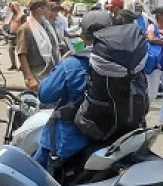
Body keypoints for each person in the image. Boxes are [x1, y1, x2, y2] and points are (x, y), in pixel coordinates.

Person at [33, 11, 114, 168]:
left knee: (36, 174)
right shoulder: (124, 62)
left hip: (70, 141)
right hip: (112, 136)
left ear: (83, 36)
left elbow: (45, 94)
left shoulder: (73, 64)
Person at [16, 0, 60, 91]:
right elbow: (22, 54)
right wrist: (30, 78)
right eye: (48, 9)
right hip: (37, 75)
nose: (50, 12)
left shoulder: (47, 27)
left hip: (51, 73)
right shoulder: (25, 29)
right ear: (39, 10)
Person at [4, 1, 24, 70]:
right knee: (10, 50)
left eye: (12, 7)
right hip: (11, 35)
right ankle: (13, 65)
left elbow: (24, 26)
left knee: (20, 52)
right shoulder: (12, 15)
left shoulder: (22, 15)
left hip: (19, 35)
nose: (11, 8)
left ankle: (22, 65)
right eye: (10, 7)